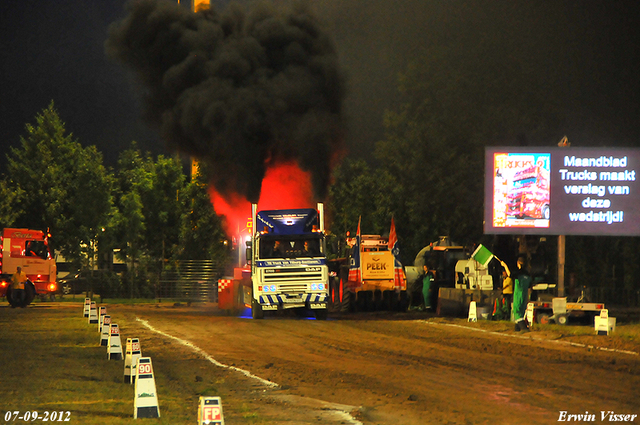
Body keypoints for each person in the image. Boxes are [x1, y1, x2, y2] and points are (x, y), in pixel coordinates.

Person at [511, 254, 532, 331]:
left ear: (518, 263)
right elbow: (529, 288)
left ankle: (524, 327)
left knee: (516, 311)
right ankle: (517, 328)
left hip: (518, 294)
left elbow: (510, 275)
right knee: (521, 311)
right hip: (525, 295)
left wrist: (504, 265)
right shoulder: (528, 274)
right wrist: (528, 298)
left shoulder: (518, 273)